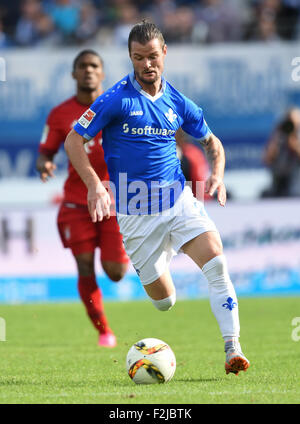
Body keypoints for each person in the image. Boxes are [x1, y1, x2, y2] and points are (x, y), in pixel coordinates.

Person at [64, 21, 250, 375]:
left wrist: (218, 175)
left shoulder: (178, 101)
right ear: (131, 58)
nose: (146, 64)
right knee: (164, 303)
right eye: (138, 58)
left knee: (217, 263)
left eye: (152, 56)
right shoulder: (116, 98)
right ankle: (162, 261)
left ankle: (232, 349)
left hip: (179, 201)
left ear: (164, 53)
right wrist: (94, 185)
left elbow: (213, 143)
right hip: (136, 216)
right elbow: (74, 140)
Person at [36, 49, 129, 348]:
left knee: (115, 273)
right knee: (85, 266)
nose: (88, 70)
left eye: (94, 66)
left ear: (102, 73)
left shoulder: (119, 106)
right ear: (74, 74)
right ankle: (104, 330)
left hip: (115, 204)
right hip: (77, 204)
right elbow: (44, 153)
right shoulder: (59, 114)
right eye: (82, 66)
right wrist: (45, 164)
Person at [262, 107, 300, 197]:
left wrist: (294, 144)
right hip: (278, 180)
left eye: (293, 122)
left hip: (296, 182)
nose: (290, 125)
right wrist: (276, 140)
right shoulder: (279, 135)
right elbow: (266, 159)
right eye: (288, 121)